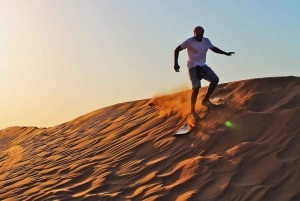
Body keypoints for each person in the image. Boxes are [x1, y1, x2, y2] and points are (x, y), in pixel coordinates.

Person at [174, 26, 234, 119]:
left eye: (201, 35)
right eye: (197, 35)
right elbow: (177, 49)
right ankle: (192, 112)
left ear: (203, 34)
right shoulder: (189, 41)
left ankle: (205, 100)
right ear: (194, 34)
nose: (199, 36)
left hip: (202, 65)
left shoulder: (206, 41)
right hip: (192, 67)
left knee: (215, 79)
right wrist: (176, 64)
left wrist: (225, 53)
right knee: (196, 88)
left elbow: (213, 49)